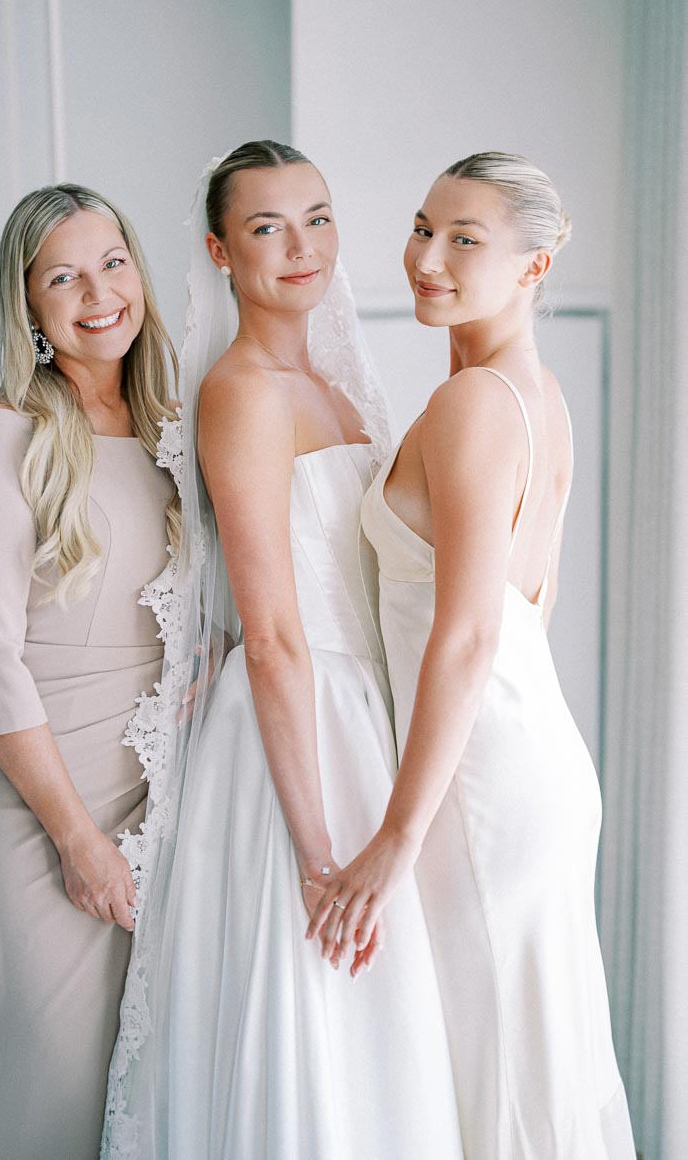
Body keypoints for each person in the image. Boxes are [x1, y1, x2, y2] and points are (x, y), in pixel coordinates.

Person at [103, 142, 463, 1160]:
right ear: (221, 250)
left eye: (317, 216)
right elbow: (272, 631)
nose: (300, 246)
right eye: (267, 227)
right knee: (310, 998)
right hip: (293, 742)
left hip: (367, 715)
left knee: (378, 1024)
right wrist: (312, 847)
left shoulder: (341, 387)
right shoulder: (242, 390)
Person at [310, 152, 635, 1157]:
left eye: (465, 240)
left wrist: (396, 835)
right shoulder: (539, 399)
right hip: (525, 753)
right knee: (526, 1064)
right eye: (423, 227)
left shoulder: (476, 405)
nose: (427, 258)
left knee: (496, 1075)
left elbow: (469, 630)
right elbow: (525, 616)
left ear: (533, 269)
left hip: (479, 780)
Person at [0, 184, 178, 1160]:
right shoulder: (2, 435)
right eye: (64, 276)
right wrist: (77, 839)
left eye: (113, 263)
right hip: (39, 801)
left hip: (153, 787)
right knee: (51, 1071)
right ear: (28, 303)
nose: (97, 293)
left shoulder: (175, 429)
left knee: (114, 1073)